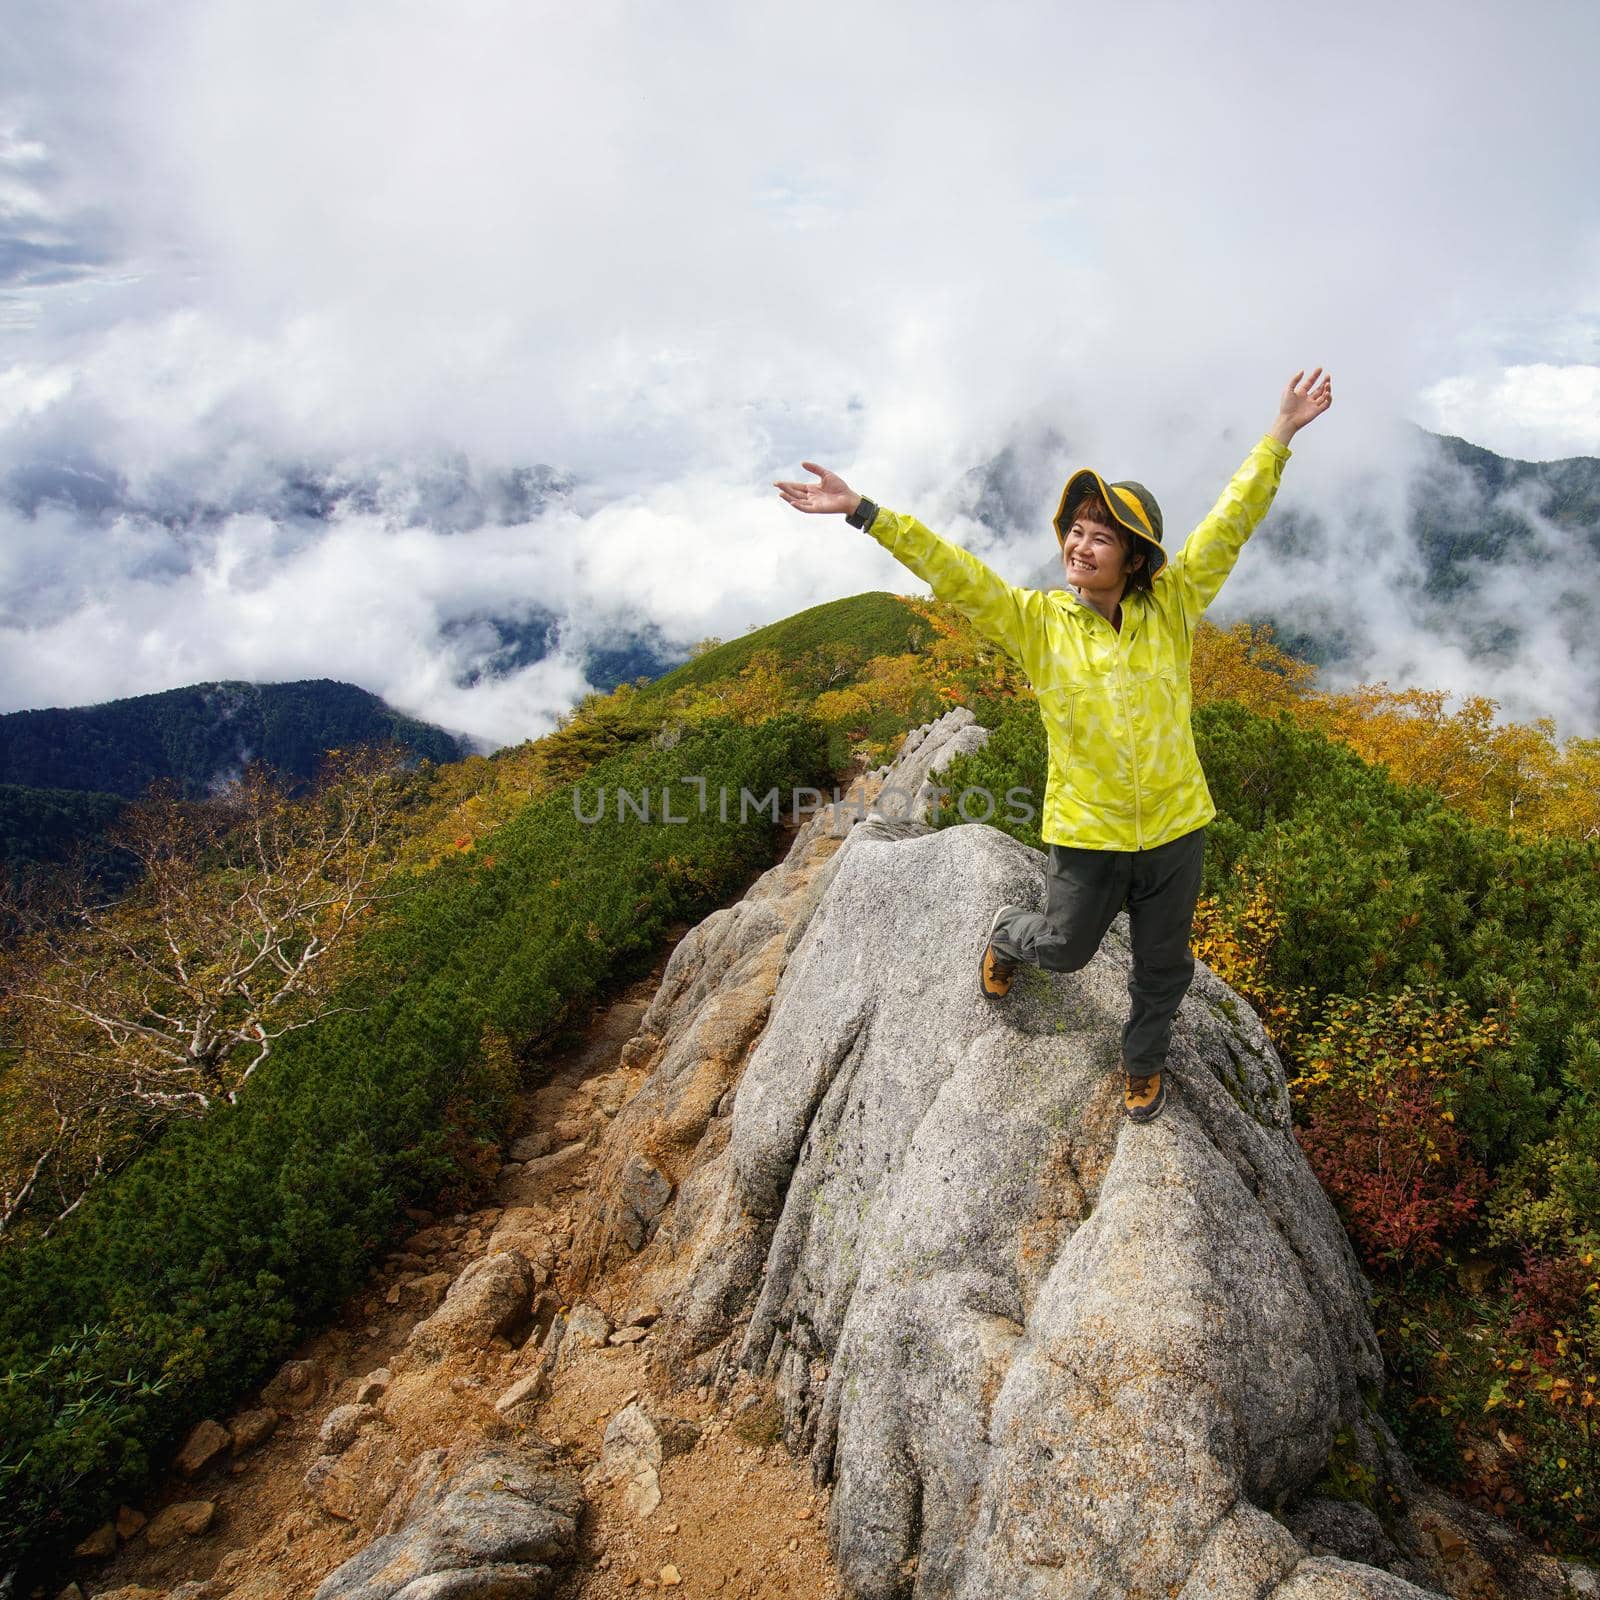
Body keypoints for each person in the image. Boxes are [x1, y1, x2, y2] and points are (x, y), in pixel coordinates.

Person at [773, 367, 1334, 1123]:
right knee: (1065, 950)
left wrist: (1281, 434)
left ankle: (1142, 1062)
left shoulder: (1172, 606)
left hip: (1175, 830)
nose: (1080, 544)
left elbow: (1230, 522)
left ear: (1134, 558)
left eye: (1101, 536)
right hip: (1090, 836)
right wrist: (867, 513)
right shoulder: (1037, 623)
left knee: (1163, 967)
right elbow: (958, 576)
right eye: (1076, 530)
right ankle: (1008, 937)